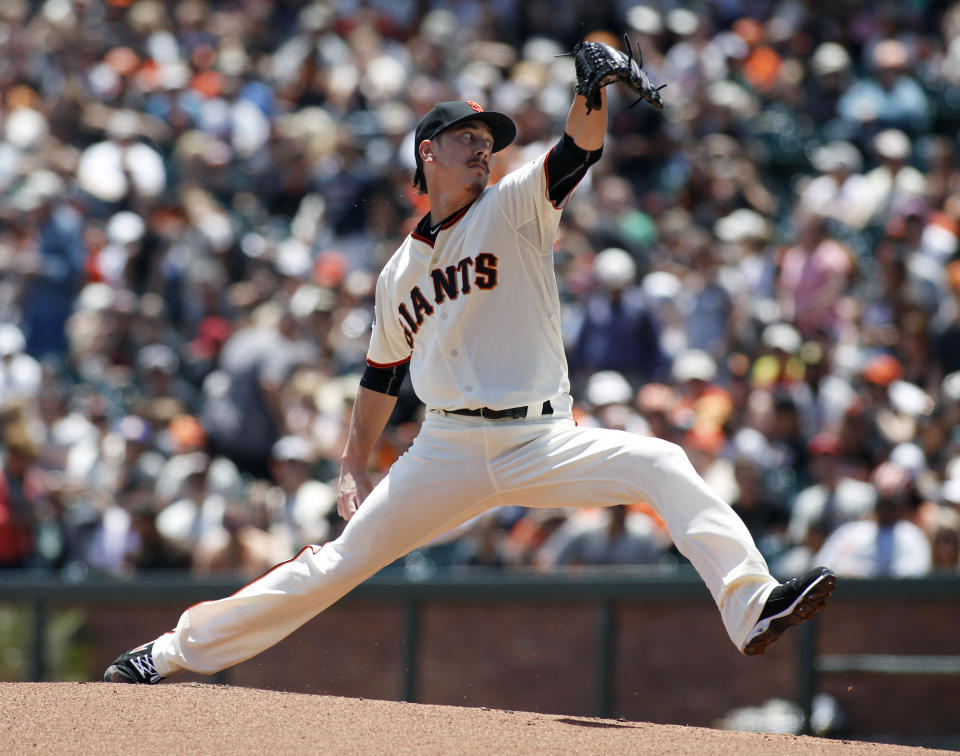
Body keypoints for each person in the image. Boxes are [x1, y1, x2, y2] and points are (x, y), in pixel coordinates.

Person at [104, 39, 836, 685]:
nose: (484, 147)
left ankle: (752, 606)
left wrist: (589, 92)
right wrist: (355, 464)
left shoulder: (514, 204)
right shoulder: (397, 272)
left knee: (662, 462)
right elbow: (380, 375)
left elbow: (578, 151)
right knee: (334, 563)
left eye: (489, 137)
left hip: (541, 438)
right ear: (429, 152)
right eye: (468, 138)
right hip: (446, 449)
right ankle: (170, 653)